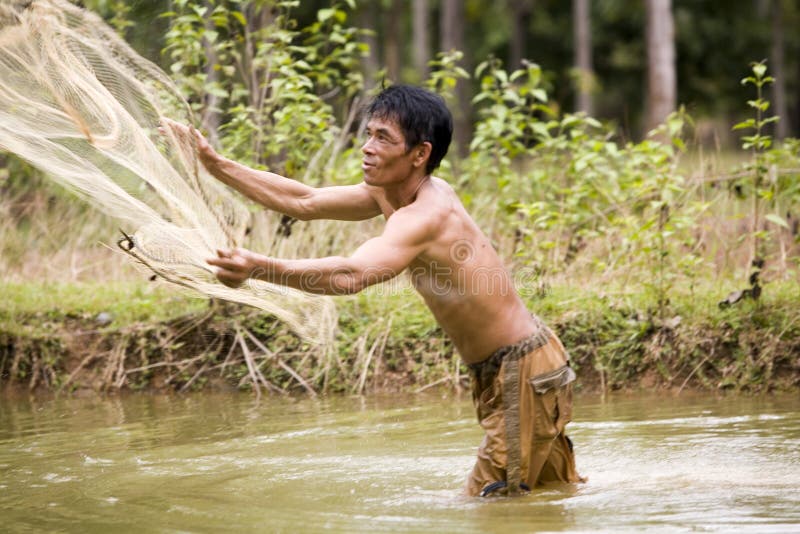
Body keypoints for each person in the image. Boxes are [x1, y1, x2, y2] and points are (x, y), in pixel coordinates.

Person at [176, 85, 583, 496]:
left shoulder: (427, 214)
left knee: (488, 505)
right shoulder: (390, 192)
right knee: (550, 496)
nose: (368, 148)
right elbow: (304, 200)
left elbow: (353, 274)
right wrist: (215, 164)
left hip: (521, 372)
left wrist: (260, 268)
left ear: (419, 154)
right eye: (369, 134)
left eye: (383, 138)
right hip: (518, 369)